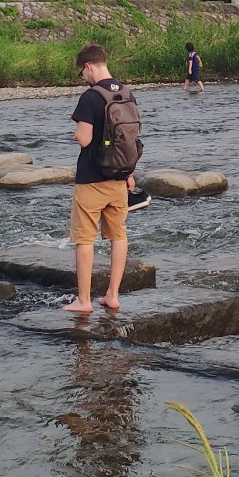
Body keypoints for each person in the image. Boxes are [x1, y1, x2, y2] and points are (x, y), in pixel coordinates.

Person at [62, 43, 143, 315]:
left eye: (81, 73)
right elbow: (129, 139)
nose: (82, 79)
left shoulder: (90, 97)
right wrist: (130, 174)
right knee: (118, 236)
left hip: (91, 179)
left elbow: (84, 138)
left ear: (88, 66)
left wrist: (76, 135)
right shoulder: (127, 93)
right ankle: (113, 295)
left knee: (85, 240)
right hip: (120, 179)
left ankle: (83, 301)